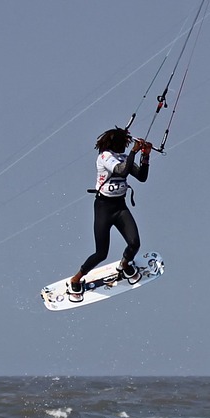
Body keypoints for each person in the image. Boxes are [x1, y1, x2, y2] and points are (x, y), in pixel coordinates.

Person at [69, 127, 151, 300]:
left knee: (134, 243)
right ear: (117, 144)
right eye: (125, 144)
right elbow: (121, 170)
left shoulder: (123, 157)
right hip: (103, 208)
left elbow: (141, 177)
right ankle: (76, 279)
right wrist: (134, 153)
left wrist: (146, 155)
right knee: (101, 253)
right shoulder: (105, 157)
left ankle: (124, 265)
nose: (126, 147)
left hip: (120, 207)